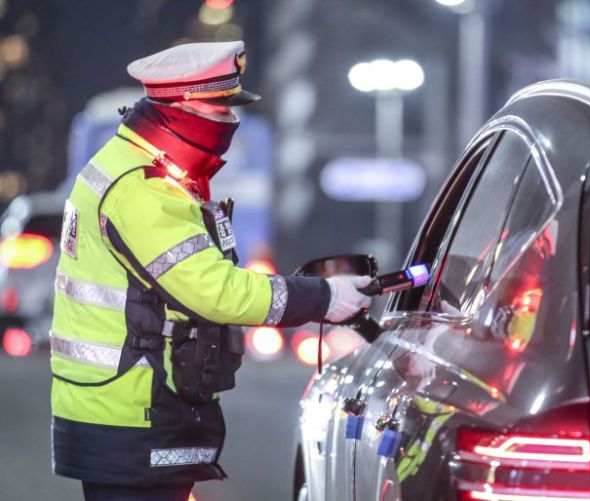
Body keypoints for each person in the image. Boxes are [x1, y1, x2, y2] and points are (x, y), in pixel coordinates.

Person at [50, 41, 372, 501]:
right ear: (182, 109)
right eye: (220, 109)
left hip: (120, 406)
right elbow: (213, 289)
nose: (230, 122)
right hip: (129, 411)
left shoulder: (141, 169)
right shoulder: (143, 189)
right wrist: (324, 298)